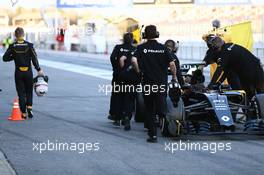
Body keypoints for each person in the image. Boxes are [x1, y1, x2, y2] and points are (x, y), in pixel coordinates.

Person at [131, 25, 177, 143]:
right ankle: (165, 117)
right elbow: (172, 64)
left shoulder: (141, 48)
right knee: (161, 105)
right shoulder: (163, 48)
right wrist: (174, 77)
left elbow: (133, 60)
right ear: (157, 34)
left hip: (148, 83)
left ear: (144, 35)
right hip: (161, 83)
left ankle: (153, 136)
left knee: (149, 108)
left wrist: (138, 71)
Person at [203, 36, 264, 101]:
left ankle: (250, 108)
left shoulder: (224, 52)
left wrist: (211, 84)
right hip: (257, 67)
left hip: (249, 72)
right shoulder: (229, 46)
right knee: (260, 94)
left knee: (250, 95)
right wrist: (219, 82)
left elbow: (219, 70)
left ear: (217, 48)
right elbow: (227, 70)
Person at [3, 27, 43, 119]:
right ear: (23, 34)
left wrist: (13, 57)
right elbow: (34, 58)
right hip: (28, 72)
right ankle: (29, 107)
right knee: (29, 90)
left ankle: (23, 113)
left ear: (15, 35)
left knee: (21, 92)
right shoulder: (29, 45)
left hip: (18, 72)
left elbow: (4, 58)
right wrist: (38, 69)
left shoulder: (13, 46)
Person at [108, 33, 137, 127]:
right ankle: (127, 117)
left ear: (123, 39)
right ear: (132, 40)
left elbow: (112, 58)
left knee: (117, 96)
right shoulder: (134, 49)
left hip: (118, 76)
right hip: (130, 77)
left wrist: (116, 68)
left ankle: (116, 117)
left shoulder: (118, 47)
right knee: (129, 97)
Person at [117, 33, 139, 130]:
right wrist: (138, 71)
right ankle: (127, 117)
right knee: (131, 98)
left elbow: (121, 59)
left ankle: (121, 115)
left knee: (124, 96)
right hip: (133, 78)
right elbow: (134, 61)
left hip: (125, 76)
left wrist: (122, 69)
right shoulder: (136, 50)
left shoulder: (129, 51)